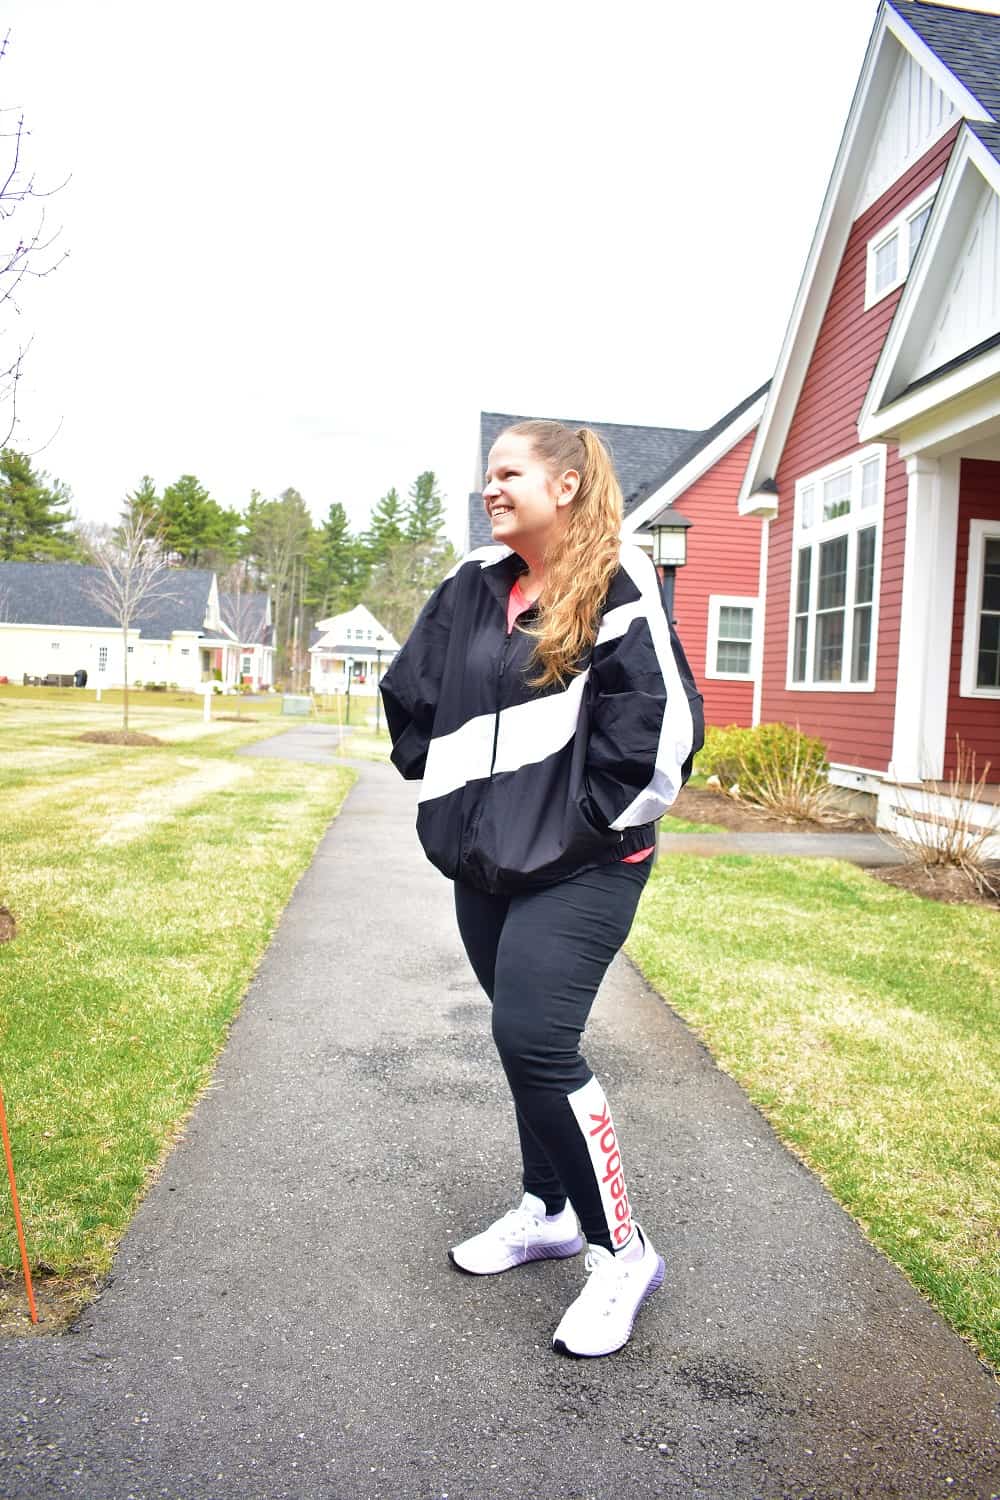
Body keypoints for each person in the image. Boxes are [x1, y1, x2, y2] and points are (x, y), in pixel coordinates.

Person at [379, 420, 703, 1358]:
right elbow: (413, 690)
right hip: (485, 865)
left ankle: (622, 1251)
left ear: (563, 486)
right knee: (519, 1041)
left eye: (509, 471)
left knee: (533, 1034)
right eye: (489, 473)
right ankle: (550, 1209)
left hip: (585, 866)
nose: (491, 486)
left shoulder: (618, 584)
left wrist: (579, 828)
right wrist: (449, 793)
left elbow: (660, 732)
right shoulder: (474, 584)